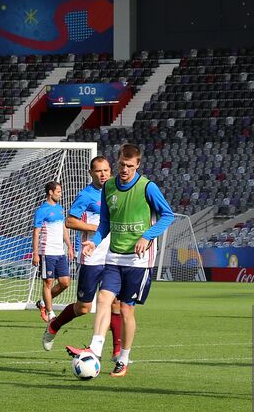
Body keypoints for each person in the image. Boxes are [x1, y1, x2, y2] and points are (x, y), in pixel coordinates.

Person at [67, 143, 175, 378]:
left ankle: (123, 358)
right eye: (121, 165)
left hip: (139, 260)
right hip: (114, 256)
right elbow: (105, 222)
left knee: (126, 309)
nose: (124, 169)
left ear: (137, 165)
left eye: (129, 165)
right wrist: (94, 242)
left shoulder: (148, 188)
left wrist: (147, 236)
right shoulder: (109, 188)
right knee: (103, 298)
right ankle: (95, 348)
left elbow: (168, 215)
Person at [43, 156, 123, 355]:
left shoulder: (117, 191)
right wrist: (96, 228)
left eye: (105, 170)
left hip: (114, 255)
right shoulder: (86, 195)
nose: (103, 174)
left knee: (115, 303)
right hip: (92, 256)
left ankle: (117, 353)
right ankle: (54, 325)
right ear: (91, 173)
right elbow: (69, 221)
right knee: (84, 308)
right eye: (98, 171)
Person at [31, 181, 72, 322]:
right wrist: (35, 253)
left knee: (65, 283)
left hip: (60, 252)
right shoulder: (42, 210)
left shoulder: (60, 208)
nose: (60, 194)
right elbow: (36, 232)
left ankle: (42, 302)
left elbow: (63, 229)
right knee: (48, 282)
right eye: (58, 191)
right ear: (50, 192)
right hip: (46, 251)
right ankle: (50, 313)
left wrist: (70, 246)